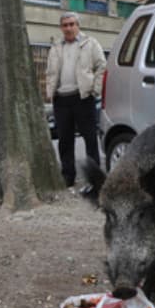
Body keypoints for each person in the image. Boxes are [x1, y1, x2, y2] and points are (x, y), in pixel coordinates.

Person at [46, 12, 106, 187]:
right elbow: (50, 72)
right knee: (64, 141)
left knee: (90, 139)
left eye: (72, 24)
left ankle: (95, 178)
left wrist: (95, 90)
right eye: (65, 25)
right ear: (61, 28)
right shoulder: (56, 46)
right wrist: (51, 90)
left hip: (83, 98)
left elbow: (102, 66)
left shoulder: (90, 43)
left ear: (78, 25)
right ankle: (68, 177)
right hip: (61, 100)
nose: (69, 28)